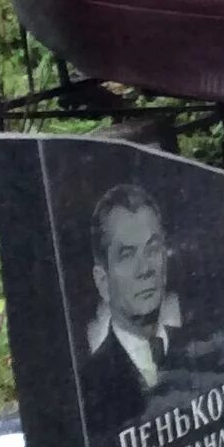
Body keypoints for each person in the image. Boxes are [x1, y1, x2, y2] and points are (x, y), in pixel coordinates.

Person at [77, 183, 179, 433]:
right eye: (127, 255)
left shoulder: (197, 346)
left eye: (152, 249)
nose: (145, 269)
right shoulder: (90, 383)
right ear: (103, 281)